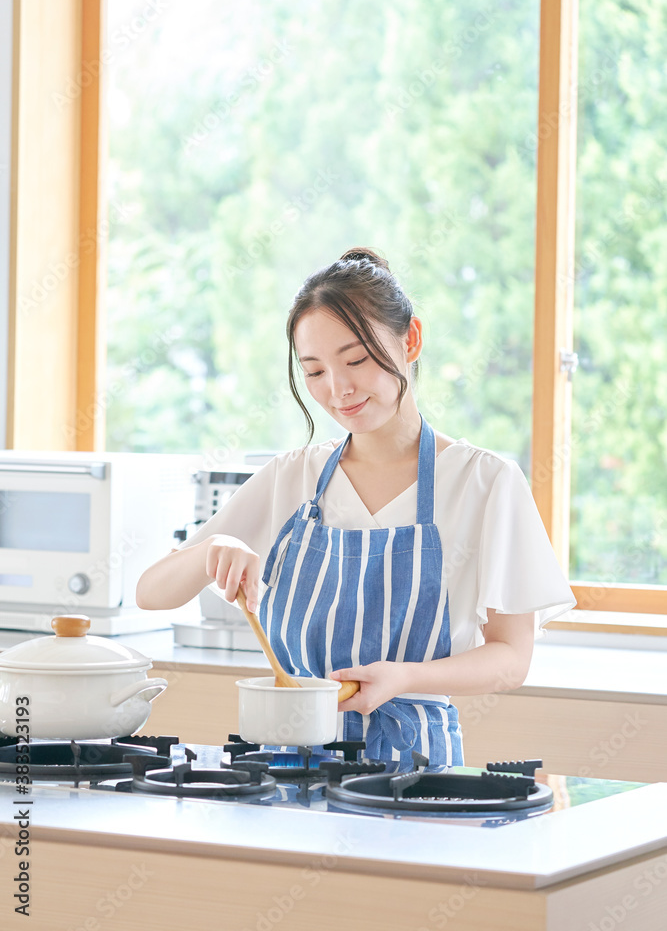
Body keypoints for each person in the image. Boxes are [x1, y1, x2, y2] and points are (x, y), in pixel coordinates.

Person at [136, 247, 576, 767]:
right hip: (288, 767)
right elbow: (151, 593)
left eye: (357, 360)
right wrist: (214, 547)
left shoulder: (485, 482)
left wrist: (406, 678)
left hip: (417, 773)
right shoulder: (292, 477)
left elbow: (511, 659)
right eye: (315, 371)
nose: (338, 390)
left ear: (410, 339)